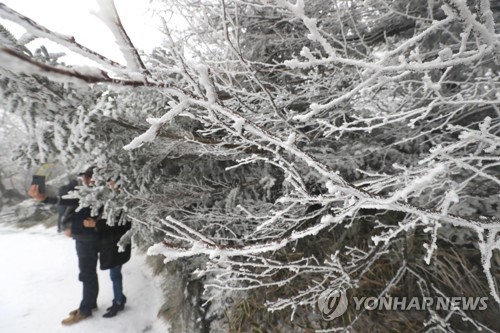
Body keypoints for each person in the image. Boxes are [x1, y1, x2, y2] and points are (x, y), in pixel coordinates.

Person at [28, 166, 131, 324]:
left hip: (92, 240)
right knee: (88, 274)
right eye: (85, 176)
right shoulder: (84, 193)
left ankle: (86, 309)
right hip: (84, 239)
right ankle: (89, 305)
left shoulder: (107, 195)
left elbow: (116, 218)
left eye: (90, 177)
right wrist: (44, 198)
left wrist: (95, 225)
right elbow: (63, 200)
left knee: (89, 274)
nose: (86, 179)